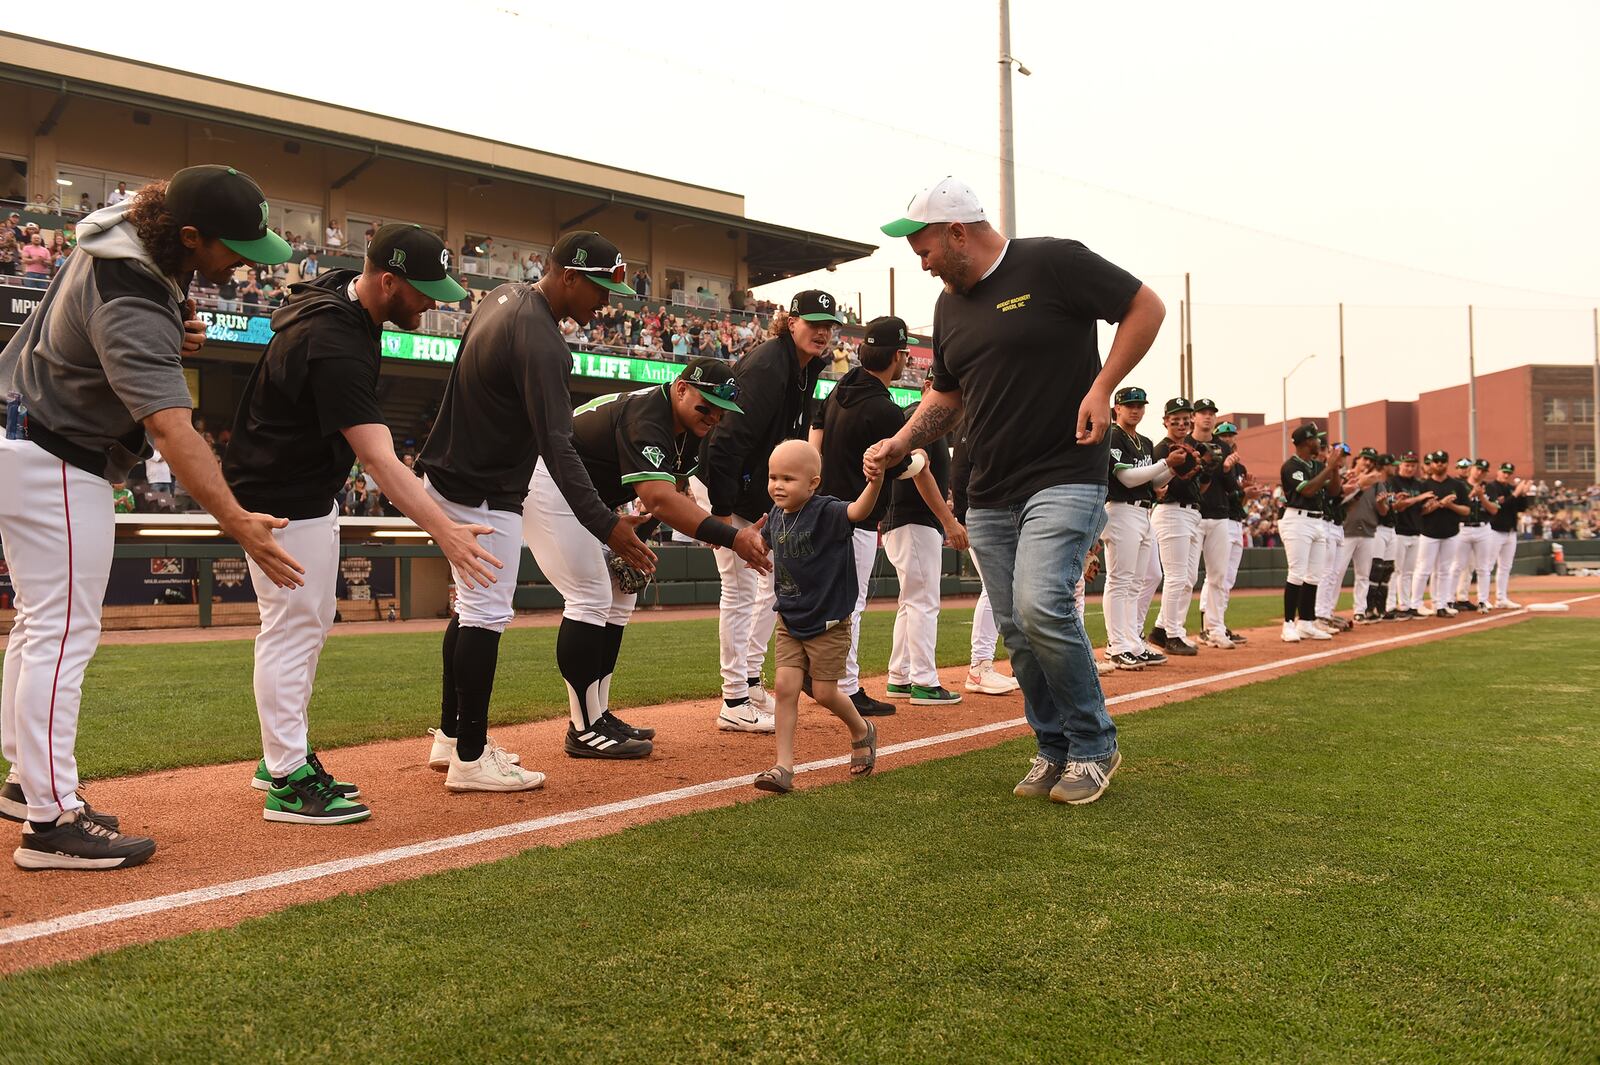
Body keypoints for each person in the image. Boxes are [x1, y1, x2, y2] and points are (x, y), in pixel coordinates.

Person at [0, 165, 303, 869]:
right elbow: (172, 430)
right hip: (56, 458)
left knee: (41, 624)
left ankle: (26, 782)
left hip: (28, 439)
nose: (240, 266)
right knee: (62, 630)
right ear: (189, 234)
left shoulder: (130, 231)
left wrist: (174, 329)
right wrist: (238, 521)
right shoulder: (134, 288)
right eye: (232, 248)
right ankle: (49, 823)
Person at [867, 176, 1165, 805]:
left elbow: (1147, 306)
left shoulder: (1052, 260)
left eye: (923, 249)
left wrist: (1103, 386)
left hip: (1065, 471)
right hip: (991, 488)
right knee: (1016, 629)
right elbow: (945, 395)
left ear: (957, 232)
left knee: (1041, 607)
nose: (920, 264)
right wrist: (901, 440)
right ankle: (1052, 745)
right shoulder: (950, 307)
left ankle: (1094, 743)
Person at [223, 224, 505, 822]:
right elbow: (378, 459)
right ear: (387, 280)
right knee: (293, 627)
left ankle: (283, 749)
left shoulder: (343, 301)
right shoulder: (336, 339)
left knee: (310, 621)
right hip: (280, 496)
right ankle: (285, 777)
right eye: (425, 291)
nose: (435, 304)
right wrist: (444, 530)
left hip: (301, 485)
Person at [416, 230, 654, 793]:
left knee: (470, 609)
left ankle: (451, 738)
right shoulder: (544, 339)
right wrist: (607, 523)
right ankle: (471, 758)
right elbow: (558, 446)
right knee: (485, 615)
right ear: (568, 275)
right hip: (483, 488)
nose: (604, 303)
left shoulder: (501, 295)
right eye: (598, 288)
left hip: (450, 475)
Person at [524, 357, 769, 760]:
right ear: (680, 388)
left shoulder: (689, 427)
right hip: (549, 481)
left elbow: (669, 488)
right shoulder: (649, 414)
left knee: (621, 595)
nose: (713, 416)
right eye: (705, 404)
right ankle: (583, 728)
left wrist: (641, 535)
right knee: (589, 595)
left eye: (722, 411)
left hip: (590, 493)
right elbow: (658, 496)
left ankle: (598, 715)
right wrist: (732, 537)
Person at [696, 290, 834, 732]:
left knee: (768, 585)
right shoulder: (770, 364)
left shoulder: (805, 368)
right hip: (723, 483)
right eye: (813, 322)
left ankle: (750, 682)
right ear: (790, 321)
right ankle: (734, 701)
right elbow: (725, 442)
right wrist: (718, 516)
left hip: (749, 487)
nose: (823, 332)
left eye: (829, 325)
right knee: (738, 589)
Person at [812, 315, 941, 715]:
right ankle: (847, 688)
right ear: (898, 355)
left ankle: (829, 681)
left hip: (824, 510)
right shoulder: (884, 408)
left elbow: (814, 437)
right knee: (852, 604)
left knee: (835, 604)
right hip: (858, 515)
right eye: (904, 354)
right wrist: (918, 454)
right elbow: (907, 469)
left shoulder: (839, 389)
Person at [750, 440, 882, 794]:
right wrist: (753, 548)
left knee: (824, 692)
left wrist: (875, 482)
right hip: (790, 620)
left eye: (788, 478)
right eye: (773, 477)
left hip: (827, 621)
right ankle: (783, 766)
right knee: (785, 688)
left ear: (813, 483)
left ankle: (861, 730)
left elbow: (859, 511)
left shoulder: (826, 510)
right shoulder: (776, 514)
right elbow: (764, 541)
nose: (778, 485)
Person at [880, 376, 969, 705]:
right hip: (912, 521)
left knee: (911, 601)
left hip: (906, 521)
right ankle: (924, 682)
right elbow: (918, 470)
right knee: (923, 602)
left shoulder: (919, 418)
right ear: (931, 384)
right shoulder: (919, 415)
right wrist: (950, 521)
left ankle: (901, 676)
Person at [1101, 386, 1180, 670]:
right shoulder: (1112, 435)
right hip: (1120, 509)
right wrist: (1165, 462)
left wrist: (1173, 470)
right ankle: (1116, 645)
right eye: (1129, 405)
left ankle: (1132, 640)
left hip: (1144, 512)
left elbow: (1154, 484)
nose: (1135, 409)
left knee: (1145, 578)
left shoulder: (1145, 441)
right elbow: (1126, 479)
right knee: (1121, 580)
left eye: (1140, 404)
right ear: (1116, 409)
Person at [950, 431, 1023, 692]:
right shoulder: (971, 423)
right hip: (979, 516)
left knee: (1005, 590)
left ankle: (1015, 664)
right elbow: (959, 474)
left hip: (1003, 515)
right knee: (992, 589)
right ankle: (979, 667)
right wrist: (961, 517)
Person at [1149, 398, 1204, 656]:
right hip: (1171, 512)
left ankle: (1161, 630)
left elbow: (1197, 489)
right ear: (1165, 421)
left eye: (1185, 419)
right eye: (1175, 419)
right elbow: (1168, 486)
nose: (1181, 423)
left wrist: (1208, 470)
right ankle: (1173, 634)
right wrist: (1192, 470)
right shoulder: (1162, 449)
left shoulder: (1191, 447)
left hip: (1191, 513)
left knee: (1188, 578)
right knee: (1176, 577)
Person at [1187, 398, 1243, 648]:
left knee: (1218, 575)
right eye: (1203, 413)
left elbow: (1231, 487)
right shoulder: (1187, 443)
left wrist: (1229, 468)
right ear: (1194, 417)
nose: (1207, 417)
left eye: (1211, 413)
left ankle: (1215, 628)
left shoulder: (1224, 446)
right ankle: (1173, 629)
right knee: (1186, 577)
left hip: (1220, 514)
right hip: (1193, 514)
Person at [1279, 422, 1343, 642]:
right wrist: (1328, 466)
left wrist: (1333, 468)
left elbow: (1335, 491)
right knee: (1296, 573)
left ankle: (1306, 622)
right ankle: (1288, 624)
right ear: (1307, 441)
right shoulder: (1291, 466)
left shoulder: (1317, 465)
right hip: (1297, 519)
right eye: (1316, 438)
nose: (1320, 442)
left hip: (1317, 520)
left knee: (1314, 574)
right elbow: (1307, 490)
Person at [1204, 420, 1251, 643]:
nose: (1228, 438)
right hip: (1219, 519)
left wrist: (1246, 494)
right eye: (1223, 435)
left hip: (1234, 520)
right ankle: (1208, 625)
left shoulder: (1239, 467)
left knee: (1227, 578)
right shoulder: (1214, 460)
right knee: (1215, 576)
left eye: (1231, 434)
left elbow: (1236, 495)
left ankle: (1219, 623)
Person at [1412, 451, 1469, 616]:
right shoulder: (1424, 486)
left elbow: (1466, 510)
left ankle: (1441, 604)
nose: (1439, 464)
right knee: (1423, 569)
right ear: (1431, 464)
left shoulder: (1457, 485)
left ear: (1447, 463)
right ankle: (1416, 604)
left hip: (1451, 532)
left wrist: (1450, 506)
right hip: (1428, 532)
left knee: (1444, 570)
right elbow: (1419, 511)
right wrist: (1439, 504)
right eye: (1436, 461)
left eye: (1442, 461)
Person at [1388, 451, 1430, 619]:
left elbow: (1421, 509)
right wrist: (1419, 498)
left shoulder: (1418, 484)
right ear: (1400, 465)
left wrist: (1432, 504)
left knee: (1408, 572)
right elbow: (1398, 505)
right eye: (1407, 465)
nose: (1410, 468)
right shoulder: (1393, 482)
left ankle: (1405, 605)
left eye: (1413, 465)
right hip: (1398, 531)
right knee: (1395, 571)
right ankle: (1390, 606)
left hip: (1415, 531)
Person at [1486, 462, 1531, 608]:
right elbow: (1498, 507)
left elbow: (1521, 508)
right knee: (1488, 566)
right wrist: (1515, 494)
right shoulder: (1492, 487)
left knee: (1506, 567)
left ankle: (1501, 598)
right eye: (1504, 472)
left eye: (1508, 473)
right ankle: (1483, 598)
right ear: (1498, 471)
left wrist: (1523, 494)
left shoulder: (1511, 488)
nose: (1506, 475)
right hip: (1495, 530)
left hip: (1510, 531)